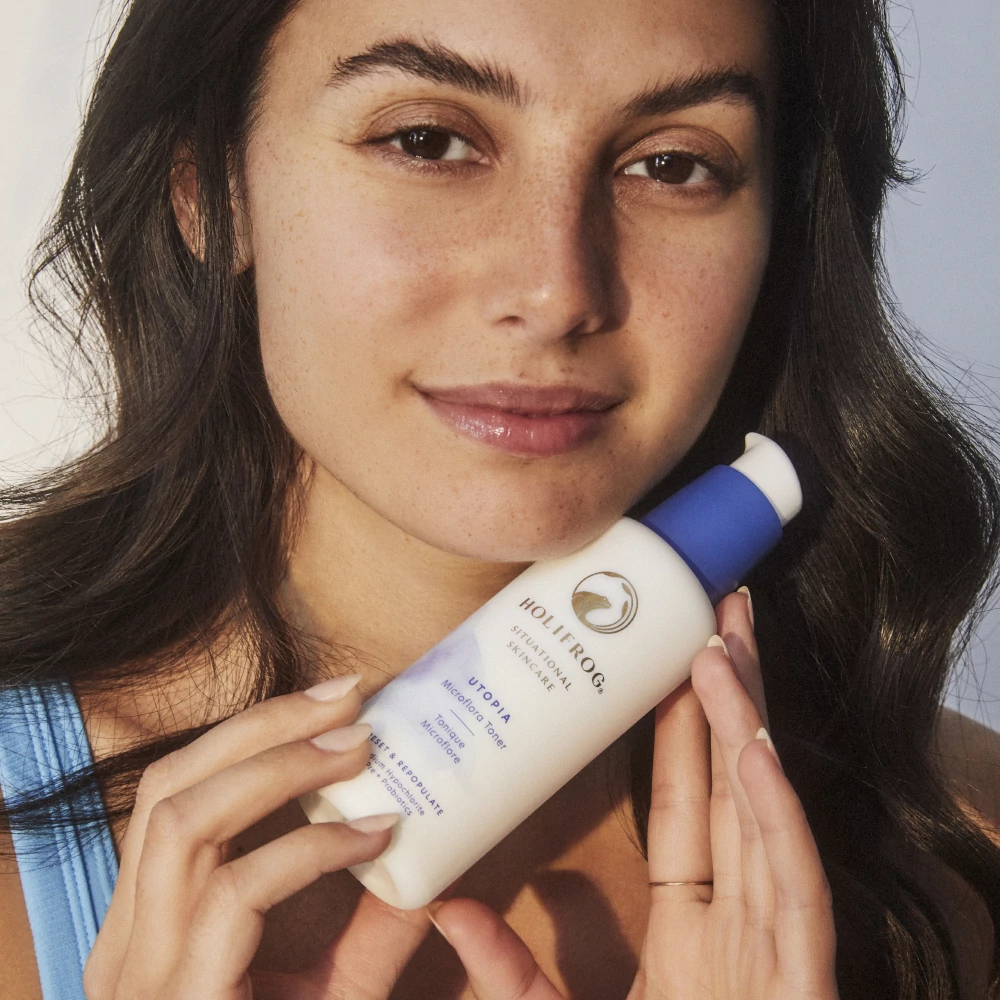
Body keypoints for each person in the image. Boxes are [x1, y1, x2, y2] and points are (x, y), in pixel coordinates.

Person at [0, 0, 998, 997]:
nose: (557, 292)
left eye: (671, 164)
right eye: (426, 142)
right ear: (210, 189)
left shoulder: (960, 844)